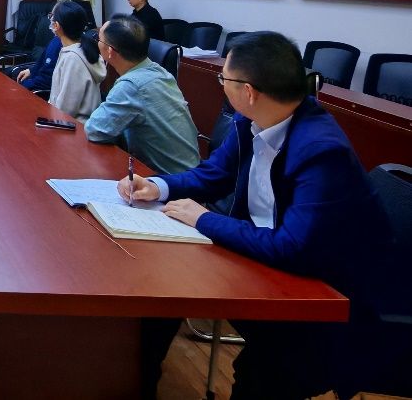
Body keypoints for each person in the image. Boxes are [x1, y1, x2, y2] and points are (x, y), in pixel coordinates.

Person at [121, 32, 394, 399]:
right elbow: (215, 174)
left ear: (248, 91)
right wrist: (158, 186)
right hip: (263, 260)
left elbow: (292, 246)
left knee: (263, 372)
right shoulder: (250, 120)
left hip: (324, 298)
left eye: (224, 78)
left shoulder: (321, 151)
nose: (221, 84)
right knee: (163, 292)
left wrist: (203, 219)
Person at [84, 16, 199, 175]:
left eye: (99, 39)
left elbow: (95, 130)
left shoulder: (131, 86)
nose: (96, 42)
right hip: (192, 175)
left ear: (110, 51)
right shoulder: (160, 71)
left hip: (170, 183)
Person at [46, 0, 106, 120]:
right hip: (69, 122)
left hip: (73, 126)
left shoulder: (73, 58)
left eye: (51, 17)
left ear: (56, 26)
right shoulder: (79, 49)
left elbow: (65, 110)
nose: (50, 20)